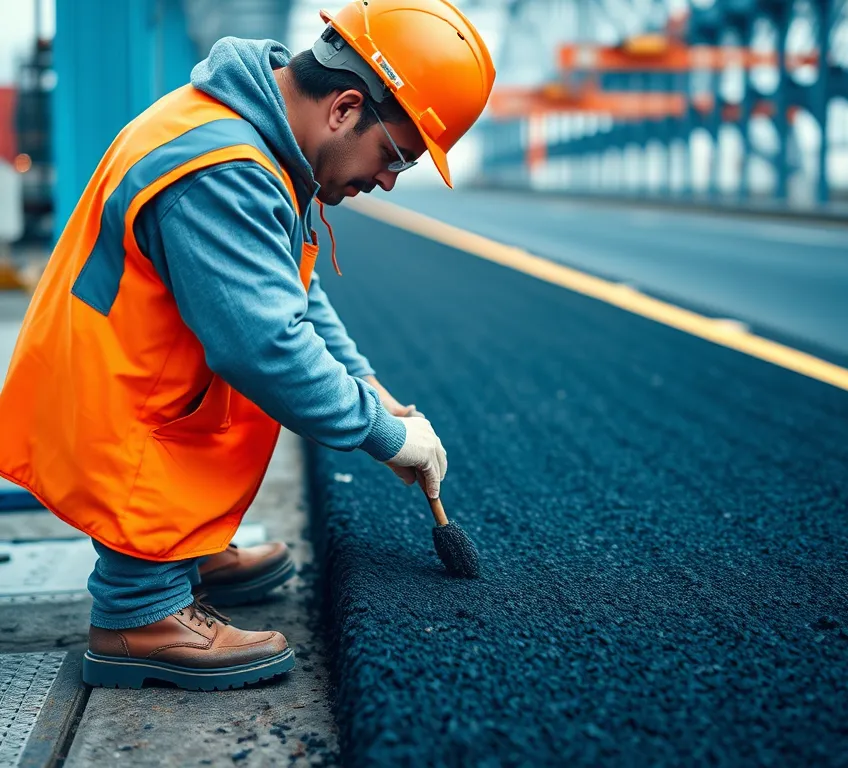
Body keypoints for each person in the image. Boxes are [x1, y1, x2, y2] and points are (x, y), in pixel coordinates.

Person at [0, 0, 495, 691]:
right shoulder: (226, 170)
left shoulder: (252, 132)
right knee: (230, 389)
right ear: (345, 108)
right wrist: (379, 432)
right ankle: (138, 613)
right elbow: (266, 343)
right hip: (112, 414)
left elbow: (293, 297)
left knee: (220, 396)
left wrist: (369, 389)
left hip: (115, 385)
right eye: (395, 157)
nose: (386, 180)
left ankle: (184, 553)